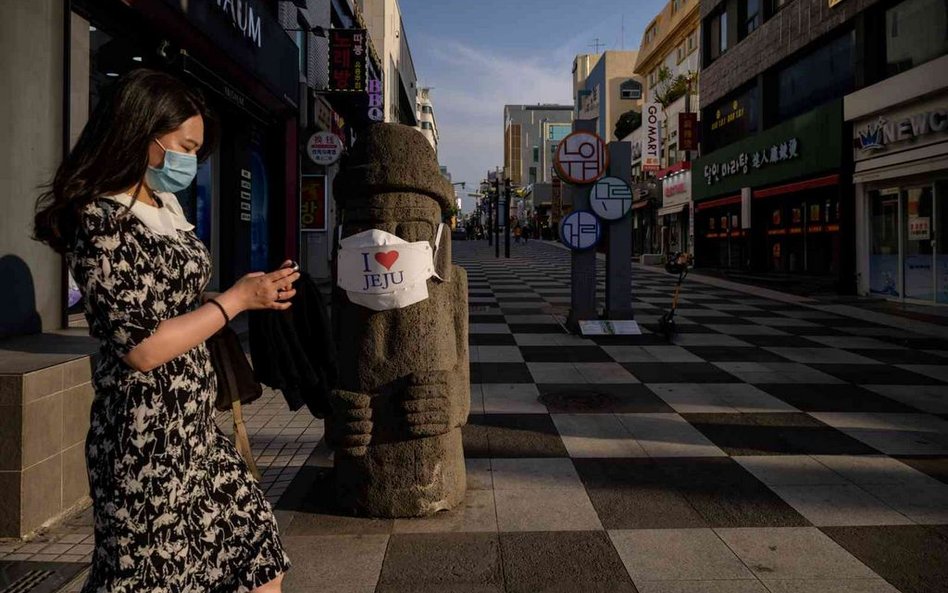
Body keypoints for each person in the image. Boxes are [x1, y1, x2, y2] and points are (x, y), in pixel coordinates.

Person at [33, 69, 294, 593]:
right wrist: (235, 300)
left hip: (196, 432)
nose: (190, 161)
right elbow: (142, 347)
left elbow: (171, 296)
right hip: (143, 442)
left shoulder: (162, 206)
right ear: (142, 133)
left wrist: (249, 292)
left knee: (260, 555)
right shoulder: (100, 222)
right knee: (150, 580)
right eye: (184, 146)